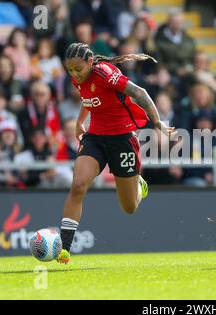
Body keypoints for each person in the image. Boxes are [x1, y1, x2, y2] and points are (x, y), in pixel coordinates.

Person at [57, 42, 175, 263]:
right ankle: (64, 248)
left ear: (90, 62)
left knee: (129, 207)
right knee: (78, 185)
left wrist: (157, 122)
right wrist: (80, 122)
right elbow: (89, 97)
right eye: (70, 70)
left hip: (122, 139)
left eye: (77, 69)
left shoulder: (105, 74)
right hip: (96, 138)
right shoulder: (78, 76)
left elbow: (140, 92)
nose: (74, 74)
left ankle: (140, 184)